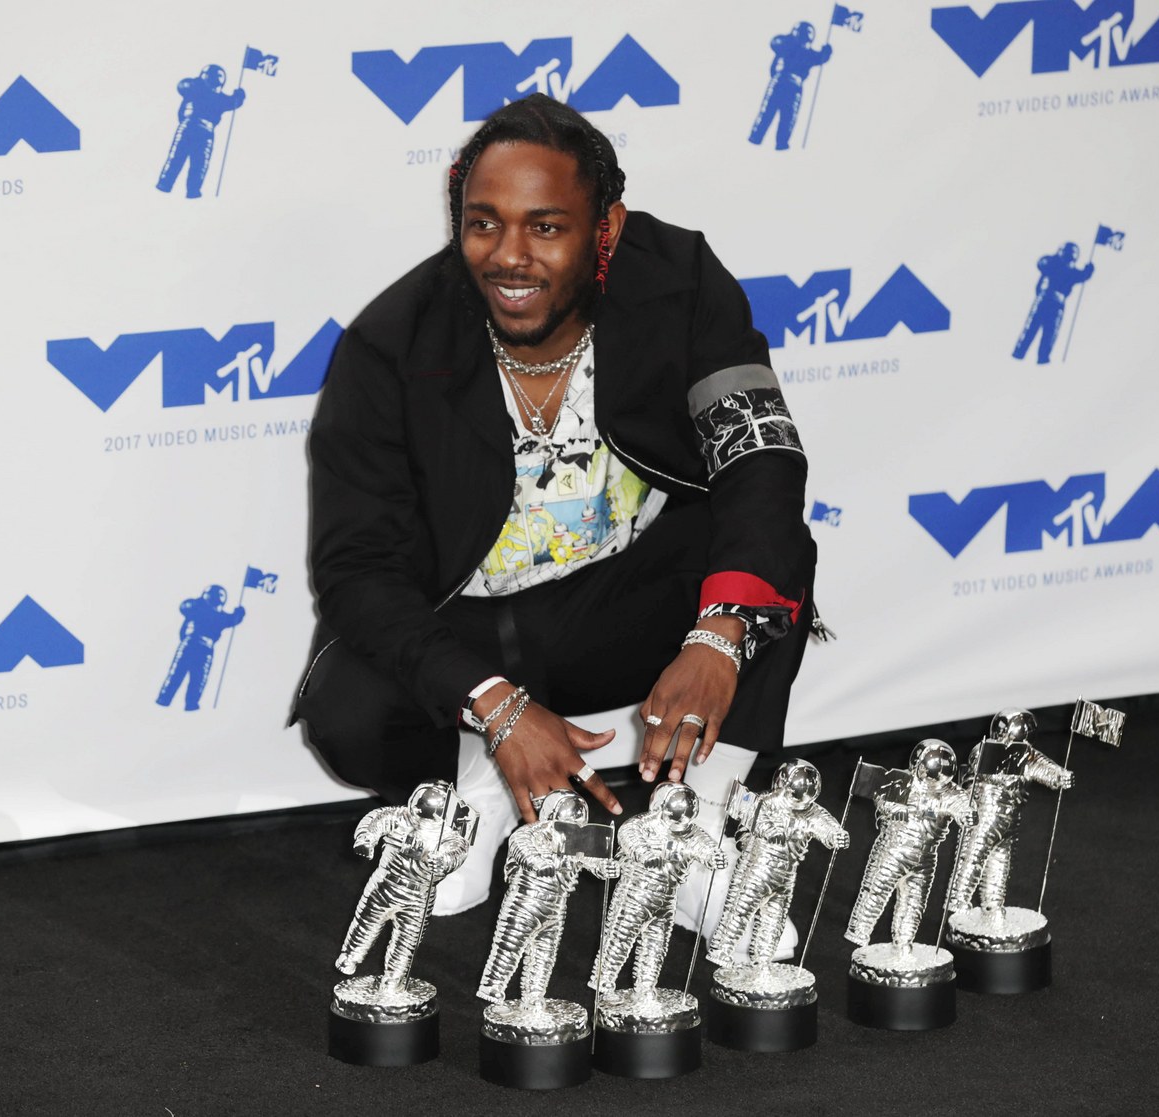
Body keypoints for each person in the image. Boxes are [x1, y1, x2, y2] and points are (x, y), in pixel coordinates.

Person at [295, 93, 817, 921]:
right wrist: (493, 703)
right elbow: (356, 568)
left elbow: (760, 455)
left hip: (627, 597)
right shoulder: (392, 345)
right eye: (483, 224)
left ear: (606, 229)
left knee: (764, 562)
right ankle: (482, 777)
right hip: (473, 623)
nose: (510, 257)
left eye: (546, 227)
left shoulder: (677, 279)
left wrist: (719, 633)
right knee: (348, 707)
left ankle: (691, 826)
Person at [477, 789, 618, 1004]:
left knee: (544, 953)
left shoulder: (576, 840)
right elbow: (522, 847)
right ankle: (492, 987)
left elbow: (592, 860)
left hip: (556, 908)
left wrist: (605, 867)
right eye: (569, 822)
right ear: (552, 815)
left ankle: (534, 994)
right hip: (525, 903)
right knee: (509, 946)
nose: (573, 829)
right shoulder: (530, 833)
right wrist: (539, 862)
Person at [707, 759, 848, 969]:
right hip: (757, 871)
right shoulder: (767, 803)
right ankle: (722, 950)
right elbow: (754, 815)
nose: (803, 792)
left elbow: (824, 824)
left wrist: (836, 835)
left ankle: (763, 960)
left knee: (774, 919)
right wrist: (769, 830)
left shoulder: (810, 811)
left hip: (785, 876)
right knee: (739, 911)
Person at [589, 783, 725, 997]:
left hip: (667, 898)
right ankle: (603, 981)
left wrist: (712, 855)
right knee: (619, 939)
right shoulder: (642, 825)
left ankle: (646, 987)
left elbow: (703, 844)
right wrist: (644, 853)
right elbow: (628, 835)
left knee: (656, 945)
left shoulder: (689, 830)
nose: (680, 825)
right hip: (635, 894)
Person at [334, 781, 472, 989]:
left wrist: (442, 861)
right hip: (385, 884)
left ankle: (394, 977)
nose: (423, 810)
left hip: (419, 895)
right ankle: (350, 956)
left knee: (407, 940)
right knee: (366, 921)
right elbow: (375, 819)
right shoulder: (400, 817)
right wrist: (366, 839)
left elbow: (457, 852)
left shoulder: (449, 835)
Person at [845, 741, 974, 951]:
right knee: (874, 893)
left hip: (925, 858)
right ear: (917, 764)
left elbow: (963, 805)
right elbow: (882, 797)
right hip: (893, 850)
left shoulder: (951, 793)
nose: (932, 774)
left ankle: (903, 944)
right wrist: (894, 808)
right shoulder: (901, 781)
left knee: (914, 903)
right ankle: (858, 935)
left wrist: (968, 814)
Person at [947, 709, 1073, 916]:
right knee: (972, 858)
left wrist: (1060, 776)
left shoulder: (1027, 756)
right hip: (985, 816)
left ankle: (992, 905)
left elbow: (1043, 767)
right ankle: (957, 902)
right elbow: (983, 767)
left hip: (1009, 820)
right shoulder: (985, 751)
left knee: (999, 863)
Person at [155, 65, 245, 199]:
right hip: (200, 129)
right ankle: (189, 189)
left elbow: (183, 86)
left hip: (192, 126)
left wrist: (238, 97)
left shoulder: (197, 90)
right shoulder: (201, 91)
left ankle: (168, 184)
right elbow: (233, 102)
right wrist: (239, 97)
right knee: (197, 162)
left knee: (182, 158)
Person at [155, 584, 244, 711]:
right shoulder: (205, 610)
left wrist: (239, 614)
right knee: (194, 678)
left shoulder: (200, 608)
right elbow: (232, 620)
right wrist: (239, 613)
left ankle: (168, 700)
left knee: (185, 676)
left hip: (195, 645)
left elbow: (184, 607)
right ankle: (184, 703)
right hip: (198, 646)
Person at [749, 24, 833, 151]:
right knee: (776, 114)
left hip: (789, 84)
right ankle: (765, 140)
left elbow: (820, 58)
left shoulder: (800, 50)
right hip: (783, 82)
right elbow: (775, 42)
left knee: (784, 116)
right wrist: (826, 52)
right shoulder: (788, 45)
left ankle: (770, 141)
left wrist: (826, 52)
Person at [1012, 243, 1094, 364]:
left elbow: (1082, 276)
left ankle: (1038, 358)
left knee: (1048, 333)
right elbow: (1041, 263)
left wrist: (1088, 271)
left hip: (1054, 303)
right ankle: (1024, 355)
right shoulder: (1053, 264)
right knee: (1035, 330)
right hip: (1046, 300)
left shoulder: (1068, 270)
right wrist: (1088, 271)